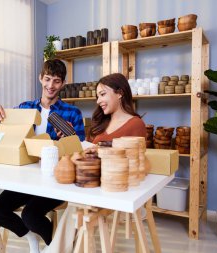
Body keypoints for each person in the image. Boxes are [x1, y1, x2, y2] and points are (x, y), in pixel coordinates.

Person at [0, 59, 85, 253]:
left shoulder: (72, 113)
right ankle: (31, 238)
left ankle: (54, 247)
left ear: (62, 83)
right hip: (27, 177)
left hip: (55, 179)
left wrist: (70, 140)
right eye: (47, 79)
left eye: (56, 81)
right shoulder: (25, 108)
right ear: (40, 78)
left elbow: (81, 151)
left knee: (30, 216)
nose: (51, 86)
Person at [43, 73, 146, 253]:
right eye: (97, 96)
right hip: (92, 183)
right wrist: (73, 140)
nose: (99, 101)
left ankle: (55, 250)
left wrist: (99, 151)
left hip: (114, 189)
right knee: (75, 203)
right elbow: (86, 151)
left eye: (103, 94)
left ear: (120, 93)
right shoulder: (101, 123)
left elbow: (132, 164)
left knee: (77, 206)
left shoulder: (135, 124)